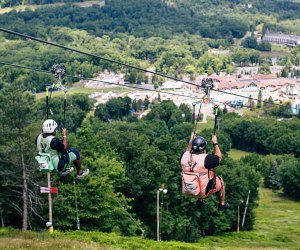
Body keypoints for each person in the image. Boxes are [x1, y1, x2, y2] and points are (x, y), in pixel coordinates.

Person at [181, 133, 229, 211]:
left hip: (186, 190)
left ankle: (199, 200)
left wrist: (191, 140)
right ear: (204, 148)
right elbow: (219, 158)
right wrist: (215, 143)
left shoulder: (184, 157)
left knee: (200, 176)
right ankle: (222, 204)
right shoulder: (206, 159)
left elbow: (187, 151)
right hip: (203, 192)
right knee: (220, 180)